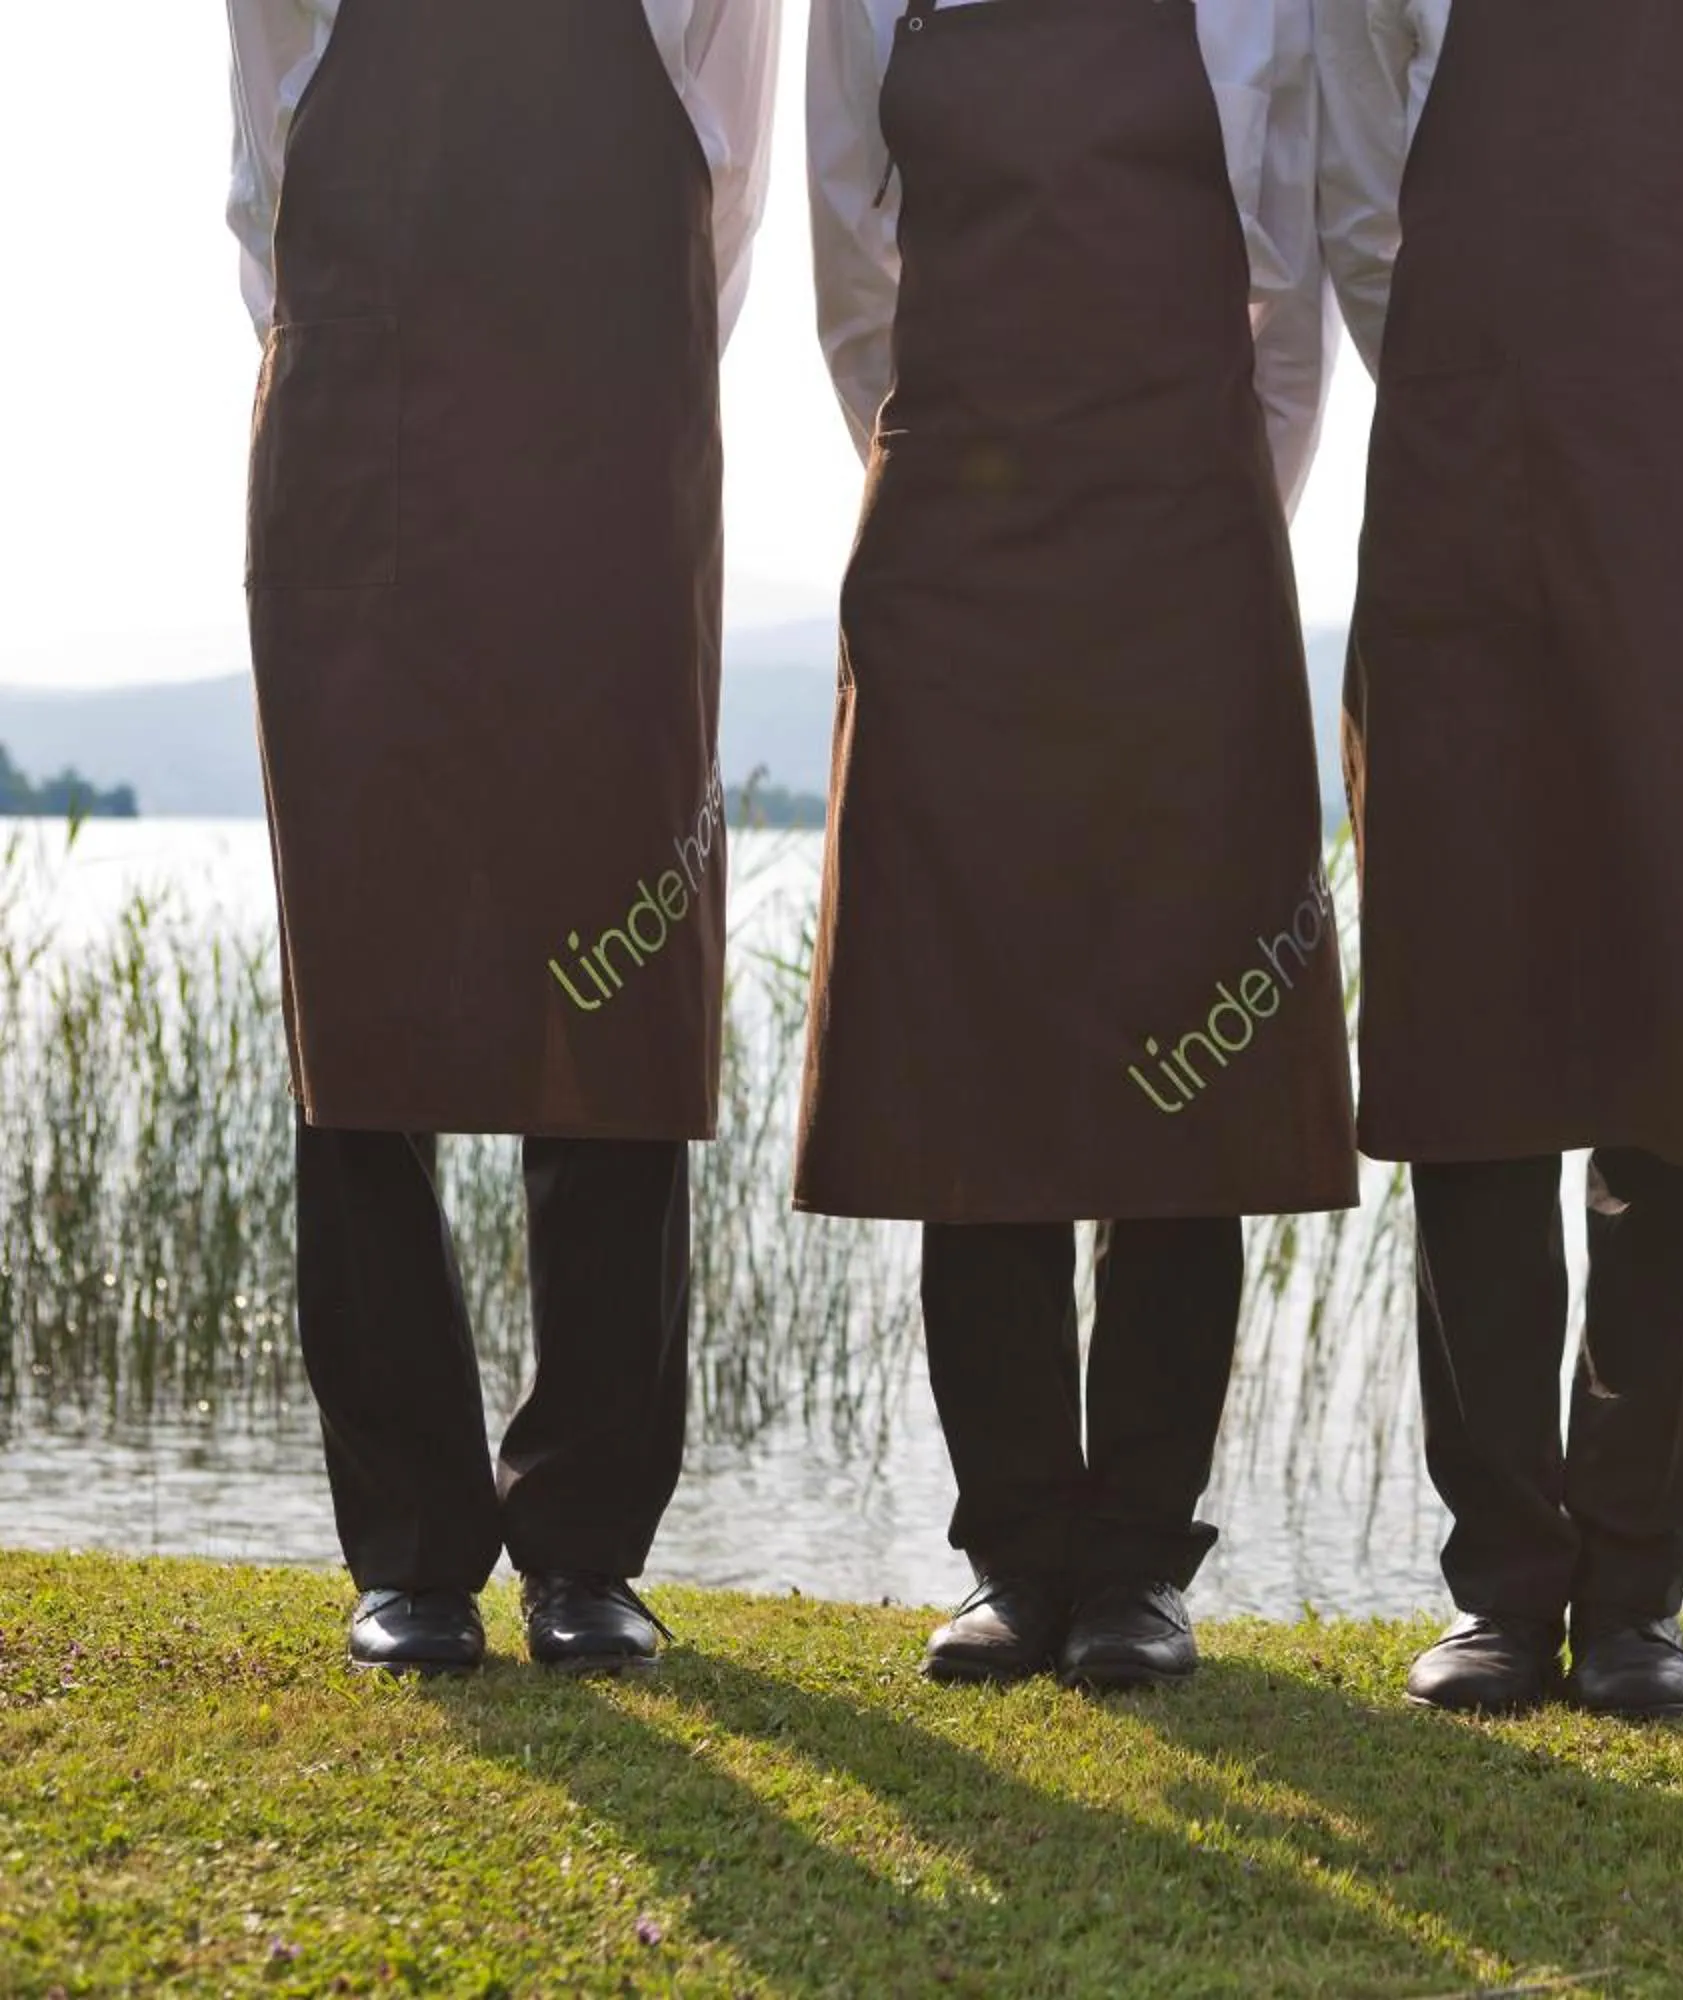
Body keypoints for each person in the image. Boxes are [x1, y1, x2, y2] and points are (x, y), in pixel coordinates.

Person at [1319, 0, 1683, 1717]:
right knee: (1467, 1040)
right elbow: (1362, 216)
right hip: (1458, 489)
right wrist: (1476, 388)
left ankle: (1638, 1591)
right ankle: (1503, 1585)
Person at [802, 0, 1355, 1690]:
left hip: (1191, 540)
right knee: (969, 1050)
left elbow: (1292, 288)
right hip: (952, 548)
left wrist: (1211, 502)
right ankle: (1013, 1554)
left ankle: (1136, 1567)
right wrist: (953, 469)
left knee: (1189, 1047)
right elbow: (848, 273)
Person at [226, 0, 781, 1674]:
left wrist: (619, 377)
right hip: (360, 443)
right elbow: (266, 166)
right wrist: (358, 354)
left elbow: (730, 179)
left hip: (614, 437)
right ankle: (409, 1548)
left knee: (621, 976)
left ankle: (586, 1546)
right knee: (361, 970)